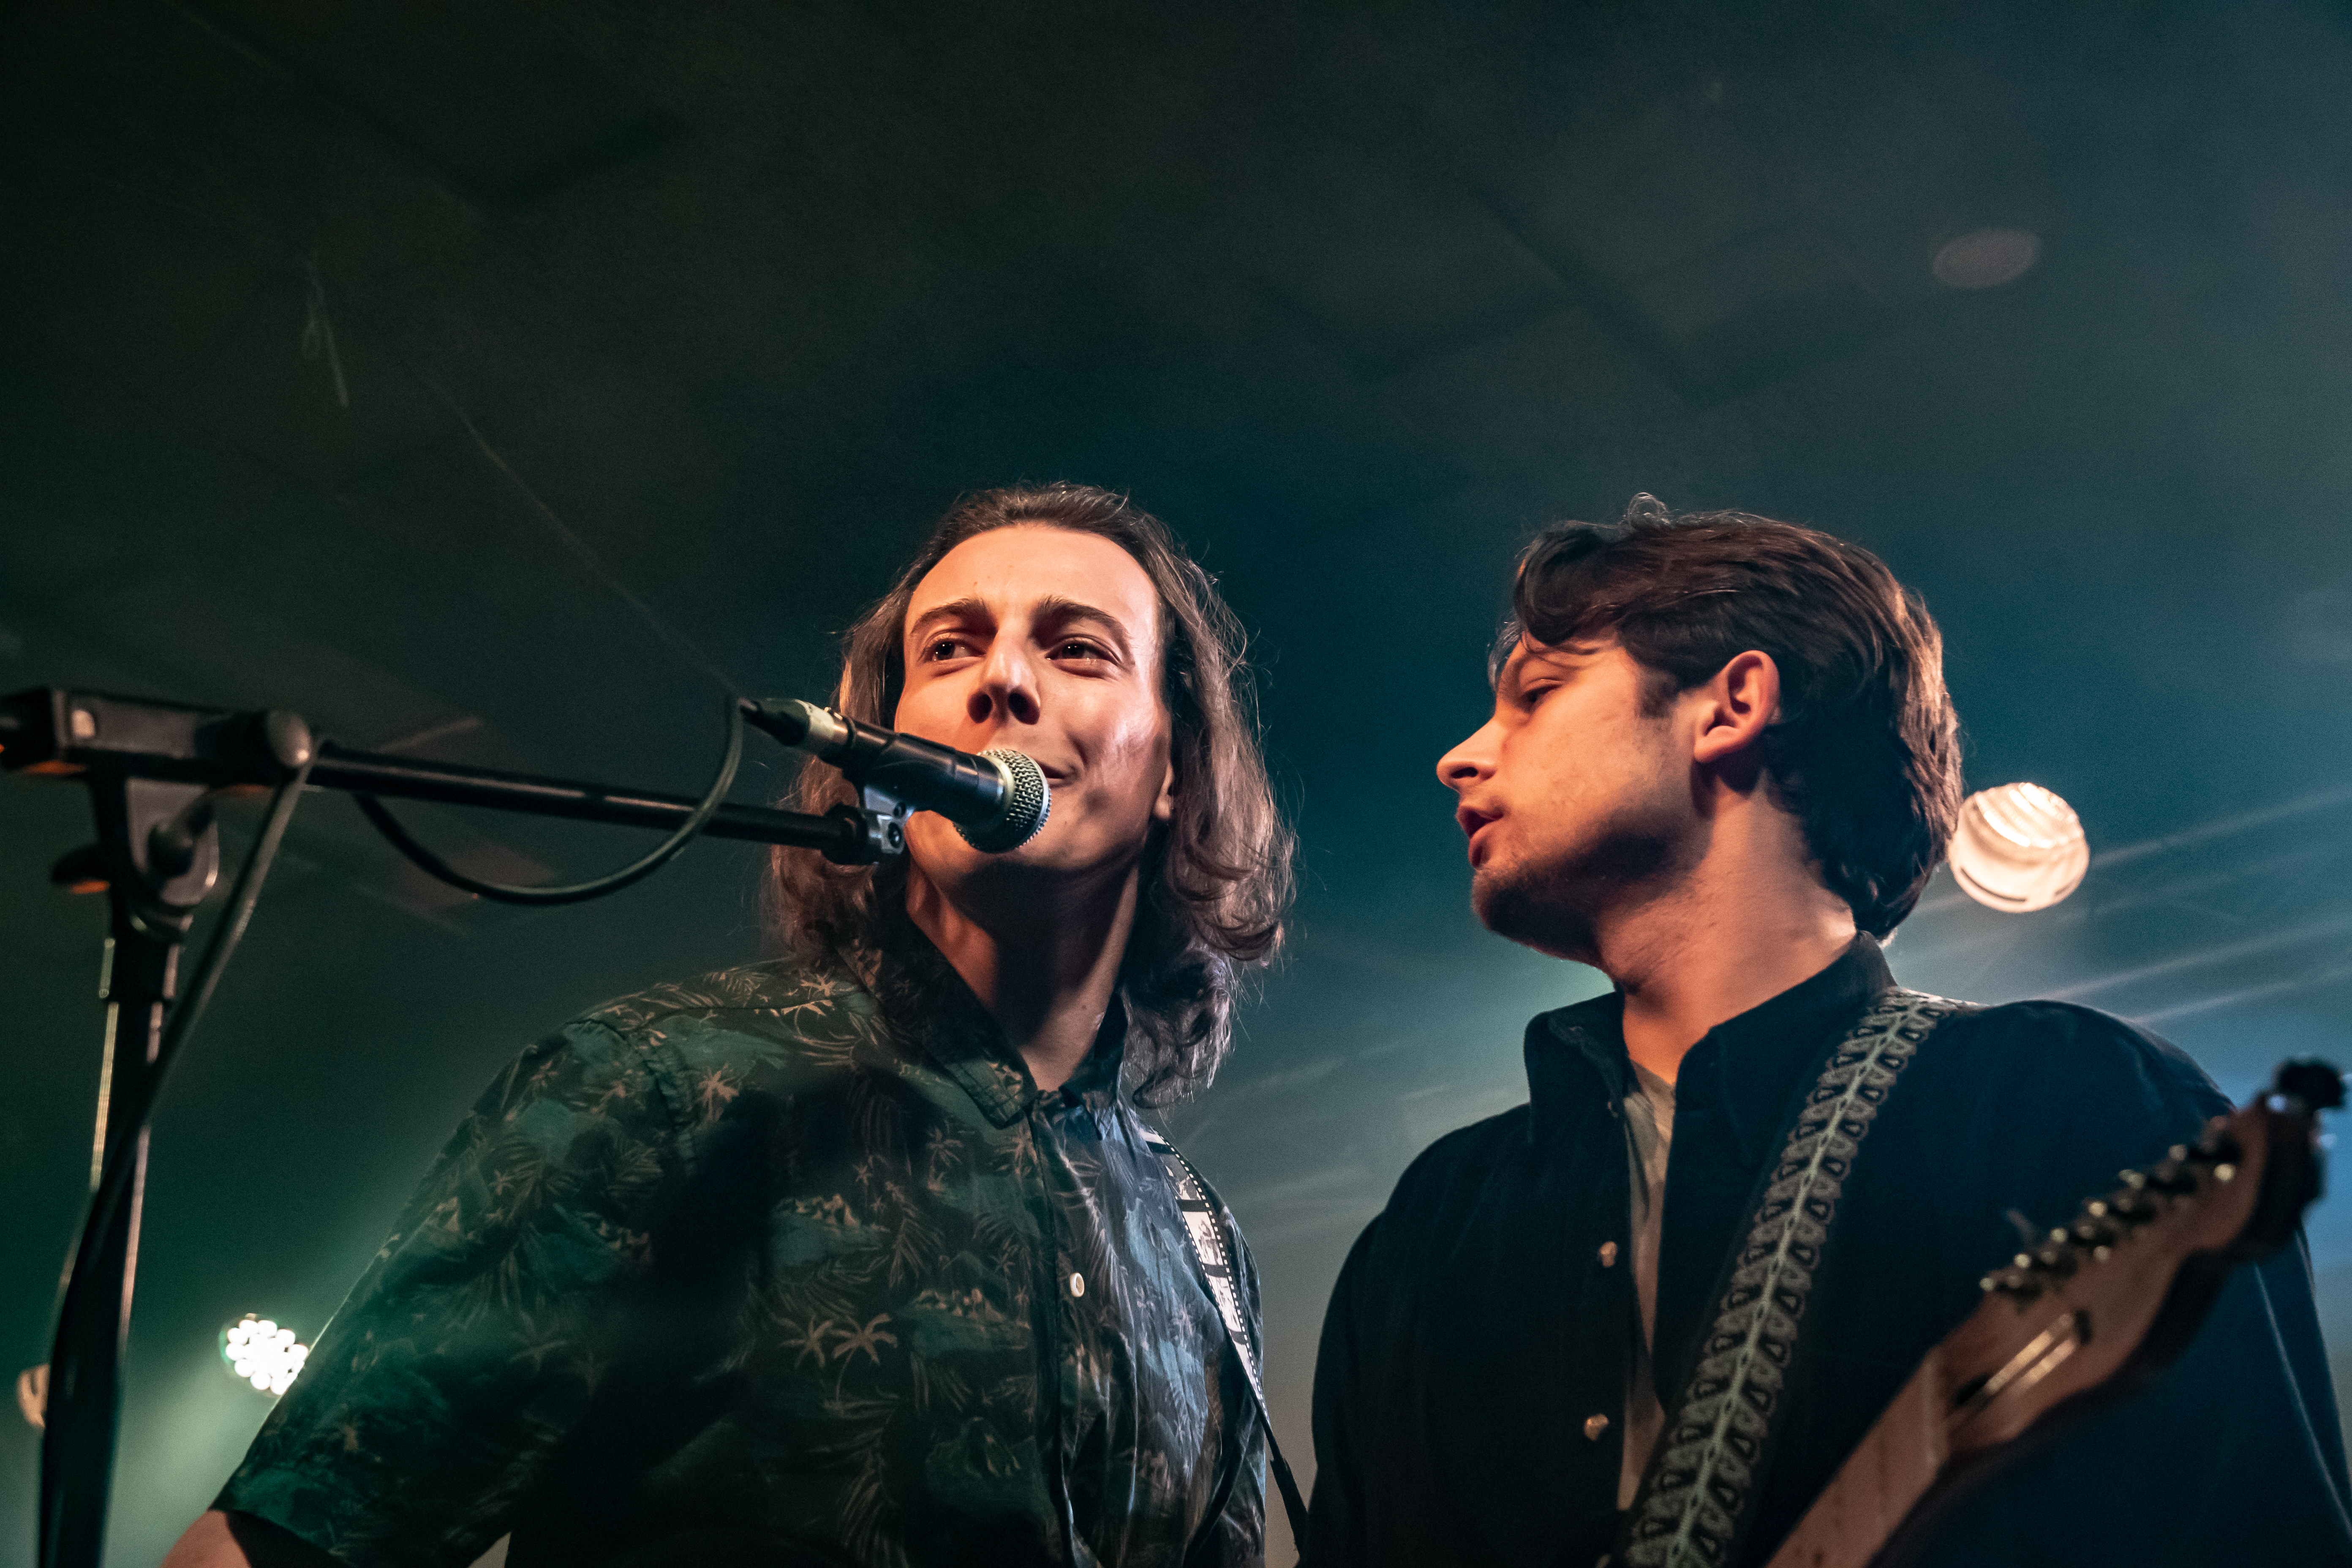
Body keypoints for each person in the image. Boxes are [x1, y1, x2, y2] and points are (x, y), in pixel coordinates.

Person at [164, 483, 1295, 1568]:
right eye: (948, 649)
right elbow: (285, 1543)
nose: (1000, 679)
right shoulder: (662, 1085)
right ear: (880, 745)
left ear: (1174, 768)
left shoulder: (1199, 1243)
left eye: (1076, 647)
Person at [1301, 496, 2352, 1568]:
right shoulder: (1432, 1223)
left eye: (1536, 694)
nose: (1461, 756)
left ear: (1731, 705)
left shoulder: (2069, 1104)